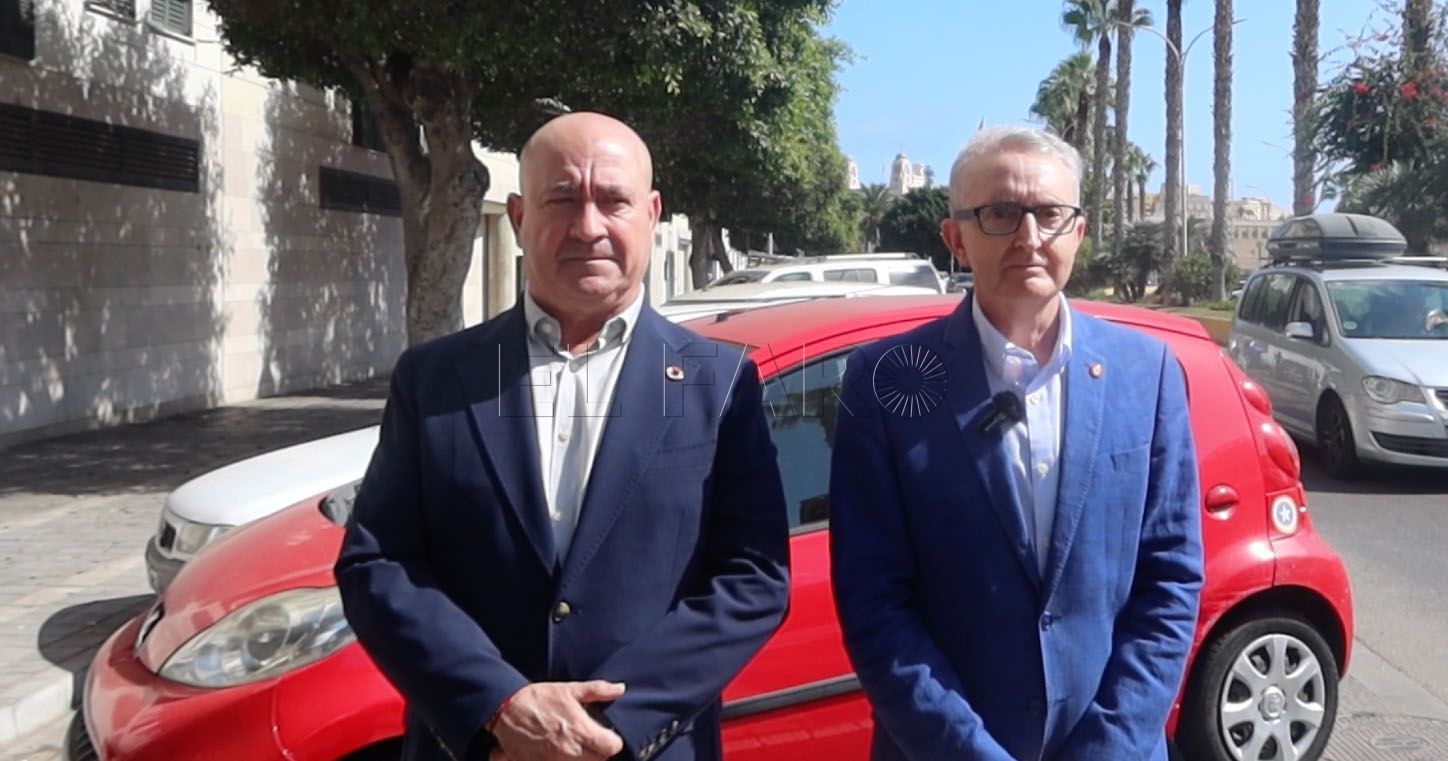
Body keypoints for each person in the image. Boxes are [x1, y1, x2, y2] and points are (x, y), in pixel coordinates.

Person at [336, 112, 790, 761]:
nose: (588, 226)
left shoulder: (719, 383)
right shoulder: (433, 378)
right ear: (519, 216)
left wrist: (611, 722)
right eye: (562, 199)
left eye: (613, 200)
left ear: (651, 214)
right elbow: (378, 561)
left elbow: (753, 577)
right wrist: (498, 704)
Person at [829, 125, 1204, 761]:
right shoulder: (885, 381)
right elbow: (875, 605)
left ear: (1078, 231)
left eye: (1050, 214)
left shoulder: (1149, 373)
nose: (1030, 237)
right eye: (1001, 214)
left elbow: (1170, 580)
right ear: (956, 238)